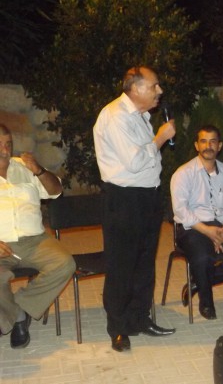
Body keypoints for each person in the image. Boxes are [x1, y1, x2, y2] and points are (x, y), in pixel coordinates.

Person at [93, 66, 176, 352]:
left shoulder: (140, 116)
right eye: (154, 86)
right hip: (124, 199)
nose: (160, 91)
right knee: (121, 265)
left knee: (144, 263)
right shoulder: (115, 116)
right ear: (136, 89)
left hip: (146, 198)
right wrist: (161, 138)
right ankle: (117, 328)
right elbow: (135, 162)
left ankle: (139, 319)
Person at [0, 124, 75, 349]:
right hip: (2, 245)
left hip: (35, 241)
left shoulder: (25, 166)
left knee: (65, 263)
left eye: (8, 144)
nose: (5, 150)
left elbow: (56, 191)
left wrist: (39, 171)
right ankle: (17, 318)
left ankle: (19, 310)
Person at [170, 125, 223, 320]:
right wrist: (207, 231)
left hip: (220, 226)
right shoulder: (183, 173)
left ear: (219, 146)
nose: (208, 146)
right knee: (203, 257)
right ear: (196, 145)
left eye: (213, 141)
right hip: (192, 228)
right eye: (203, 141)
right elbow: (180, 210)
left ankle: (198, 283)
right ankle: (206, 303)